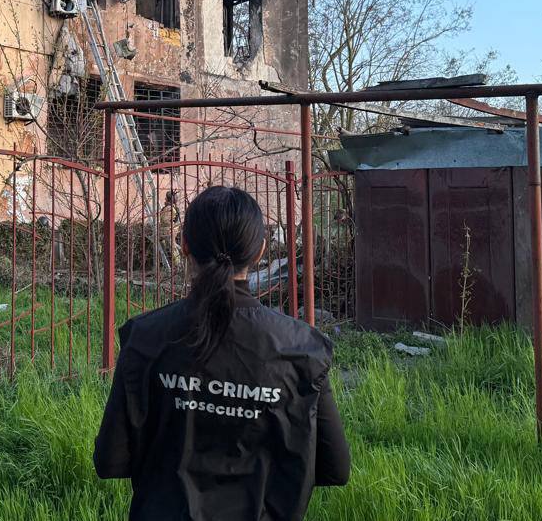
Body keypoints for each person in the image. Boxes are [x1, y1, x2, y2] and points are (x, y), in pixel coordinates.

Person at [94, 186, 350, 520]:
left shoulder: (144, 338)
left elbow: (110, 461)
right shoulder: (302, 348)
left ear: (184, 244)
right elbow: (335, 469)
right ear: (259, 251)